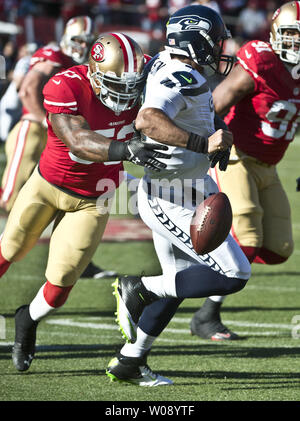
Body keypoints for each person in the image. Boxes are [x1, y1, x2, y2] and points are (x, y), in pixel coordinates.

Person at [0, 32, 168, 373]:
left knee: (61, 285)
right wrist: (124, 149)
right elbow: (77, 141)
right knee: (10, 250)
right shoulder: (66, 85)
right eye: (116, 84)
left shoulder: (147, 74)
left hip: (94, 199)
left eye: (132, 84)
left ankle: (27, 321)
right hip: (47, 185)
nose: (125, 93)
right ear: (92, 72)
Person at [106, 5, 251, 387]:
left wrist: (217, 130)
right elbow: (148, 119)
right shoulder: (176, 72)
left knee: (180, 281)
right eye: (214, 40)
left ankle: (130, 361)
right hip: (169, 193)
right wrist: (205, 142)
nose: (220, 48)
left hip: (190, 183)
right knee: (234, 273)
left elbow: (194, 110)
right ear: (195, 39)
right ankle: (138, 288)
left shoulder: (170, 64)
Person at [190, 0, 300, 341]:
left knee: (278, 248)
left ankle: (205, 259)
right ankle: (206, 316)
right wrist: (210, 145)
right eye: (292, 34)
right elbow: (214, 103)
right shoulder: (262, 61)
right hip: (235, 155)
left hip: (268, 165)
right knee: (247, 238)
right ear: (276, 33)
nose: (297, 43)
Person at [0, 15, 112, 279]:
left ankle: (75, 259)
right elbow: (28, 89)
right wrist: (46, 121)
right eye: (77, 40)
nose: (82, 47)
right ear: (65, 38)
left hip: (58, 142)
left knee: (66, 200)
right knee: (11, 198)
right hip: (35, 131)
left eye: (87, 42)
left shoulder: (82, 66)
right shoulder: (54, 56)